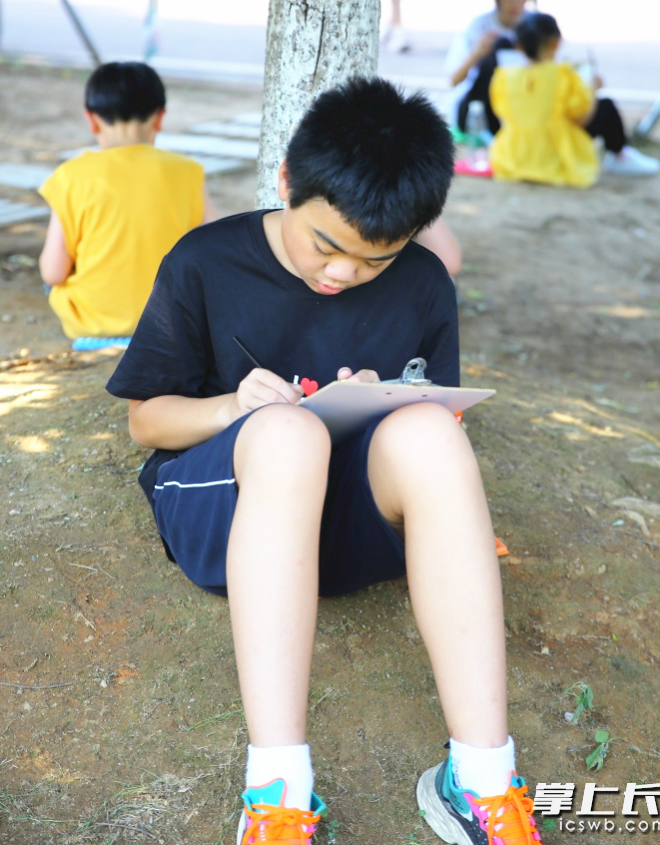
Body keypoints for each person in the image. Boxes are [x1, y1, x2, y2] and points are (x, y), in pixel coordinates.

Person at [106, 76, 544, 845]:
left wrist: (395, 404)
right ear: (285, 183)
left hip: (344, 524)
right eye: (326, 246)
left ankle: (481, 780)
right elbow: (147, 421)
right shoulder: (206, 262)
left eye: (373, 261)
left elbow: (438, 422)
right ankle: (278, 793)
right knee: (287, 435)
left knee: (432, 433)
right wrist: (235, 407)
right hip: (231, 509)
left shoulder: (423, 285)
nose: (342, 275)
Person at [38, 61, 216, 346]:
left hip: (95, 330)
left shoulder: (71, 176)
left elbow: (53, 271)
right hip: (171, 324)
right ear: (159, 118)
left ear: (92, 120)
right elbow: (213, 248)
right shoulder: (187, 171)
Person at [490, 13, 660, 185]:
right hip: (556, 154)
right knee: (605, 105)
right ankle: (619, 154)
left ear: (519, 46)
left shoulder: (503, 77)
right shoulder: (563, 74)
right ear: (555, 42)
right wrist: (592, 89)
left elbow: (503, 114)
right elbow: (582, 118)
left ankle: (620, 154)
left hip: (513, 156)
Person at [445, 0, 536, 137]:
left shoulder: (535, 28)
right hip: (480, 107)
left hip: (520, 106)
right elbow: (453, 79)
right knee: (500, 46)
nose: (515, 1)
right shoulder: (480, 27)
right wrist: (476, 55)